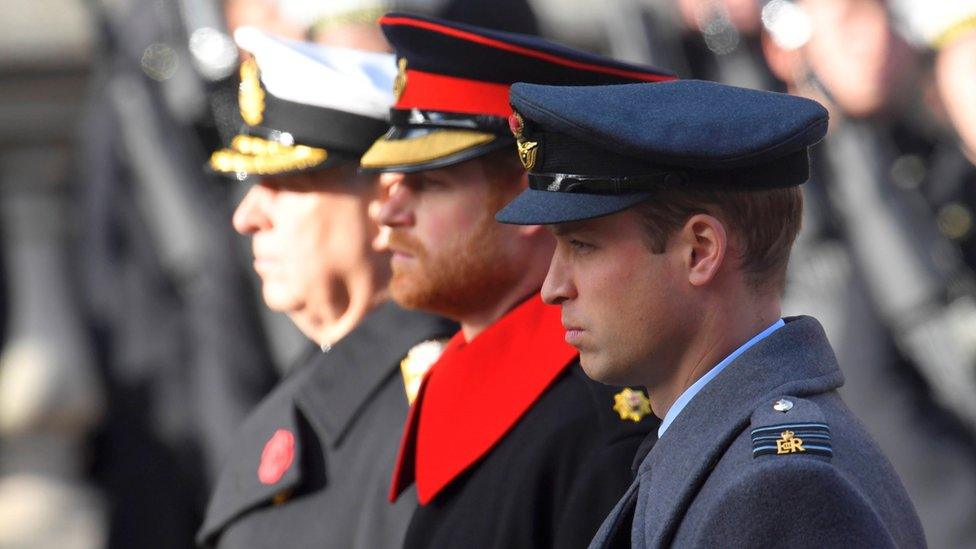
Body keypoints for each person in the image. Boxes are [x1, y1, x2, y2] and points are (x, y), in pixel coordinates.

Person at [495, 79, 927, 547]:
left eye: (582, 245)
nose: (553, 288)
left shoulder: (778, 489)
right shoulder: (723, 453)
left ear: (699, 251)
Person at [365, 14, 674, 548]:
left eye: (428, 184)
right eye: (393, 183)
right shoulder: (466, 381)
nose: (388, 211)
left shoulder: (595, 425)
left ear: (528, 202)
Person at [196, 27, 455, 548]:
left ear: (388, 205)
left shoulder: (437, 407)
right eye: (251, 186)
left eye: (284, 185)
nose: (247, 216)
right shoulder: (304, 392)